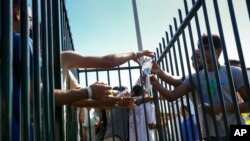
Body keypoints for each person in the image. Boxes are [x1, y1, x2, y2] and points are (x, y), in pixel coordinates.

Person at [12, 0, 154, 140]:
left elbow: (74, 99)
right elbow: (106, 62)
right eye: (29, 20)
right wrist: (133, 54)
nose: (29, 26)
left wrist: (113, 101)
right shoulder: (57, 58)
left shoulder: (16, 53)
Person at [150, 34, 249, 141]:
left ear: (218, 51)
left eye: (206, 48)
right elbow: (171, 96)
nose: (202, 52)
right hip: (211, 134)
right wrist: (155, 81)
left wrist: (223, 108)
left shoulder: (234, 72)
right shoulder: (194, 78)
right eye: (201, 49)